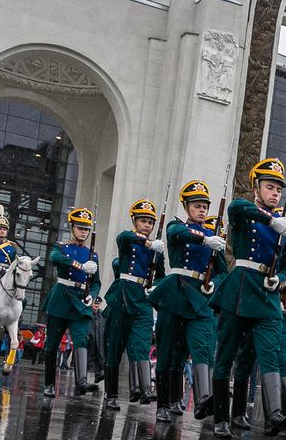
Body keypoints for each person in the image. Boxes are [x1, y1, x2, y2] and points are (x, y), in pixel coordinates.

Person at [210, 158, 286, 439]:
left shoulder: (285, 228)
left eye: (278, 189)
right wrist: (272, 220)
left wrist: (282, 279)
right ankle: (222, 418)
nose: (275, 193)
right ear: (256, 189)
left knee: (267, 354)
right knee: (225, 356)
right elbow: (236, 207)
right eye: (269, 187)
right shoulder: (246, 213)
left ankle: (271, 414)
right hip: (239, 289)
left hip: (267, 295)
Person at [147, 180, 227, 423]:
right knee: (170, 352)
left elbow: (223, 271)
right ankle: (165, 402)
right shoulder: (177, 227)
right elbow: (175, 234)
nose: (201, 210)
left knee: (202, 346)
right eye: (196, 206)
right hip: (176, 292)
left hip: (200, 297)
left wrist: (215, 285)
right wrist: (204, 239)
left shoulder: (216, 238)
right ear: (186, 207)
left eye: (204, 206)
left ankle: (203, 398)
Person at [101, 198, 166, 411]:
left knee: (141, 344)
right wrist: (147, 242)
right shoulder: (129, 241)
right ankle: (110, 395)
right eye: (143, 221)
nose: (147, 225)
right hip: (121, 298)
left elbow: (160, 277)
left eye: (150, 222)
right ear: (135, 221)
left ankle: (144, 388)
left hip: (142, 301)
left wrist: (155, 287)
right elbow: (123, 236)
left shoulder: (156, 251)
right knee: (114, 348)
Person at [42, 206, 101, 398]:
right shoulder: (61, 247)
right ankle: (49, 383)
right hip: (61, 296)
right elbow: (54, 258)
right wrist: (80, 266)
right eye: (80, 227)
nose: (83, 231)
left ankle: (81, 381)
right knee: (52, 343)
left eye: (86, 228)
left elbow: (96, 282)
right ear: (72, 227)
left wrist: (92, 294)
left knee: (82, 339)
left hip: (81, 300)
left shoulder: (93, 255)